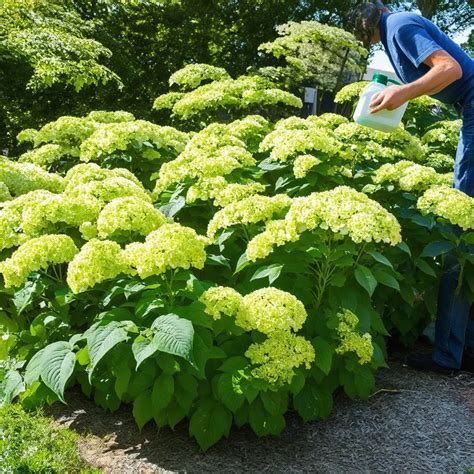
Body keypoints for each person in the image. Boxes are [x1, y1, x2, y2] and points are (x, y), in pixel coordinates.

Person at [349, 2, 474, 374]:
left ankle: (449, 356)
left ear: (369, 26)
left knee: (460, 228)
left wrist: (403, 95)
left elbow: (449, 69)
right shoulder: (392, 31)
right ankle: (465, 347)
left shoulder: (400, 25)